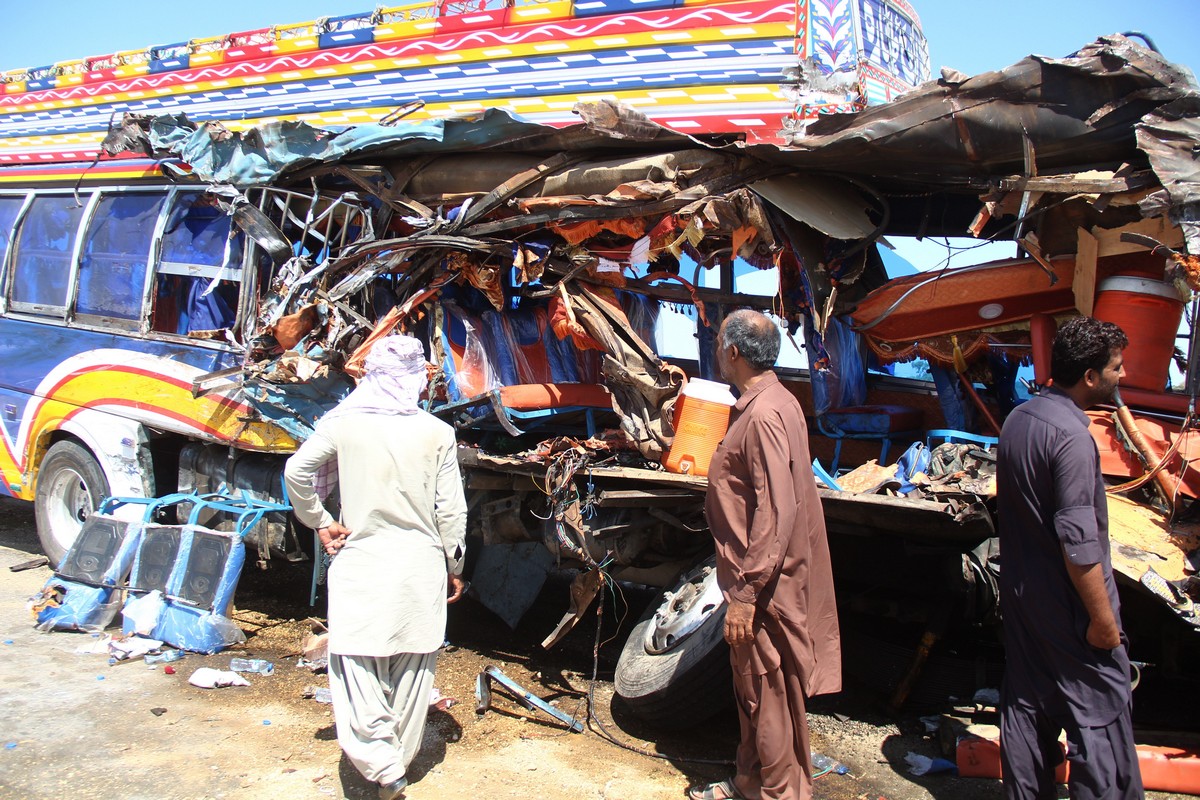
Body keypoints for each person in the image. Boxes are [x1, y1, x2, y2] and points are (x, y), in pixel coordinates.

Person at [284, 335, 467, 800]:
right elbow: (451, 510)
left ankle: (382, 765)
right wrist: (453, 562)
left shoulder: (343, 424)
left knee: (357, 669)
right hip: (419, 567)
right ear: (417, 379)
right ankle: (396, 763)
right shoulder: (437, 432)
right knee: (411, 671)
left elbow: (296, 472)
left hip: (361, 564)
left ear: (371, 376)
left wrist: (321, 522)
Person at [693, 309, 842, 800]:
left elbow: (775, 510)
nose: (717, 350)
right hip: (759, 581)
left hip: (764, 587)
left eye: (718, 343)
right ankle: (749, 783)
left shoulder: (764, 414)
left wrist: (748, 593)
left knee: (768, 695)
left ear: (733, 352)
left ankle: (779, 792)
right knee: (754, 693)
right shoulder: (774, 402)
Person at [997, 316, 1142, 800]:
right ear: (1090, 377)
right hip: (1067, 606)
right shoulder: (1074, 440)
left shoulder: (1019, 418)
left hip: (1022, 598)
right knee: (1100, 711)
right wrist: (1102, 622)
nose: (1122, 376)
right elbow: (1079, 545)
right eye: (1117, 368)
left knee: (1026, 706)